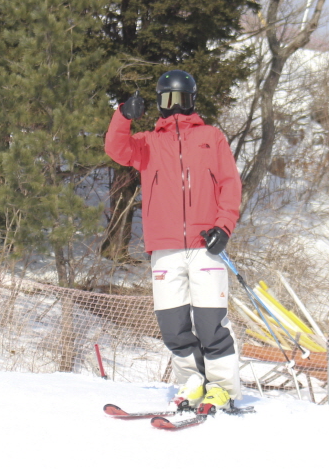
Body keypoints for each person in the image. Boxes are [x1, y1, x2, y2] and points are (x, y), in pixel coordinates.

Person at [104, 70, 242, 414]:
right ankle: (192, 382)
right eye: (168, 99)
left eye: (181, 98)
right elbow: (116, 149)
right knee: (172, 324)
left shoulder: (211, 137)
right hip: (164, 246)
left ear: (192, 100)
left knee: (210, 322)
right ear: (159, 102)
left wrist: (223, 227)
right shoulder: (148, 142)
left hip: (204, 245)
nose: (175, 106)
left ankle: (222, 388)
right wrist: (123, 116)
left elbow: (230, 183)